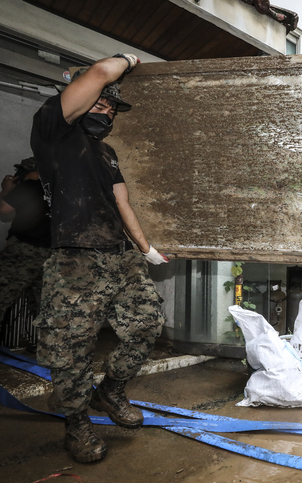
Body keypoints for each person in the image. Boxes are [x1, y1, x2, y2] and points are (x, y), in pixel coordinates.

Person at [30, 54, 169, 464]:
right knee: (70, 347)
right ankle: (76, 423)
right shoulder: (52, 131)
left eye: (111, 108)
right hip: (75, 260)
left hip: (120, 257)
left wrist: (146, 250)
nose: (106, 110)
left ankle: (109, 390)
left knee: (146, 323)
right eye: (100, 102)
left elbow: (122, 203)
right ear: (76, 98)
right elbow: (101, 73)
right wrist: (129, 59)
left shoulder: (107, 152)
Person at [0, 157, 51, 341]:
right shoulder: (54, 190)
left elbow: (4, 210)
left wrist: (6, 190)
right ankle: (48, 350)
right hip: (49, 254)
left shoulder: (28, 185)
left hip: (23, 251)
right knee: (43, 306)